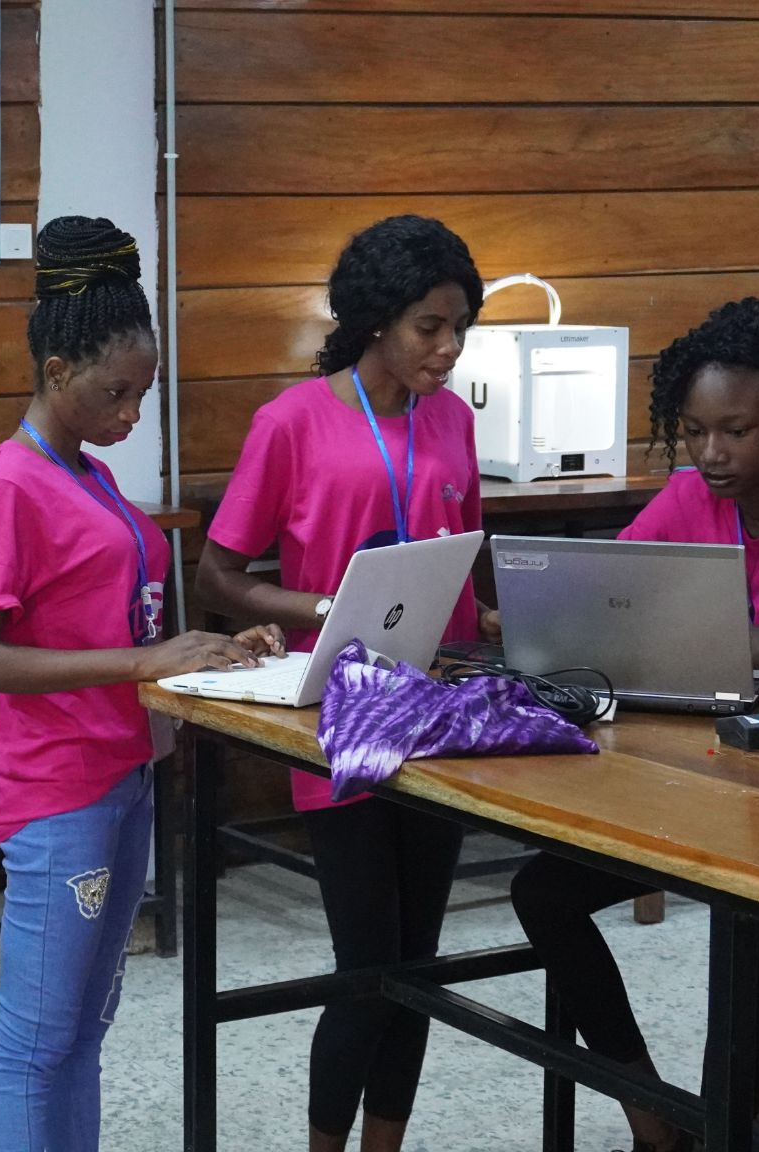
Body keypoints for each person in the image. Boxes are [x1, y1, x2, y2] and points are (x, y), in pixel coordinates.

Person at [507, 297, 759, 1152]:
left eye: (736, 430)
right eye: (692, 431)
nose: (711, 454)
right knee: (542, 890)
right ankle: (651, 1113)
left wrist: (652, 638)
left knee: (753, 932)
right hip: (734, 774)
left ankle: (723, 1136)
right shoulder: (692, 495)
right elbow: (601, 601)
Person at [0, 216, 283, 1151]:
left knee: (81, 1036)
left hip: (120, 776)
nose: (132, 415)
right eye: (115, 393)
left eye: (144, 393)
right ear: (56, 372)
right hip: (59, 791)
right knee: (36, 1043)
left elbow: (114, 625)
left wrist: (209, 649)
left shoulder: (84, 477)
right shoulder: (10, 483)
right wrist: (143, 663)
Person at [194, 215, 494, 1152]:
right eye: (428, 328)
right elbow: (218, 575)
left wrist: (503, 614)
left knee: (420, 963)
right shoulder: (291, 421)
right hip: (340, 713)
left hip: (437, 708)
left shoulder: (453, 418)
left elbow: (467, 559)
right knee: (368, 964)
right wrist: (322, 606)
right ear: (375, 322)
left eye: (459, 329)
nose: (446, 349)